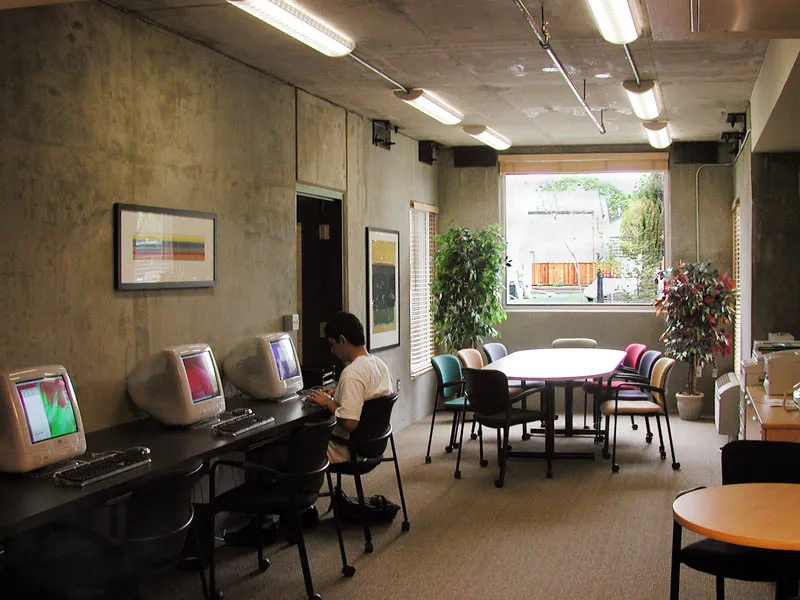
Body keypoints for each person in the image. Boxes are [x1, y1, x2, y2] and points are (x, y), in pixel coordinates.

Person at [305, 311, 393, 463]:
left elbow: (350, 423)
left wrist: (328, 402)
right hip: (373, 444)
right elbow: (368, 396)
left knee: (301, 444)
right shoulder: (380, 365)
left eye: (333, 345)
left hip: (348, 447)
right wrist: (340, 392)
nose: (332, 351)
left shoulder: (351, 373)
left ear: (342, 340)